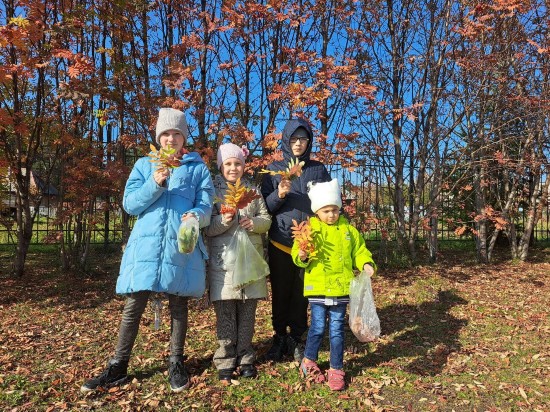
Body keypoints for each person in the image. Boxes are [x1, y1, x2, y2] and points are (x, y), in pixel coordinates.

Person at [81, 108, 214, 394]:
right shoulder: (144, 165)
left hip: (181, 244)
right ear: (158, 136)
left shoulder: (197, 168)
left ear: (183, 137)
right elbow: (130, 205)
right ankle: (118, 365)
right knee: (134, 305)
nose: (170, 139)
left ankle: (176, 362)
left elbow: (206, 206)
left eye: (176, 133)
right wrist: (155, 183)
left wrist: (194, 215)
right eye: (165, 133)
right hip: (147, 245)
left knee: (179, 305)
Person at [291, 179, 376, 391]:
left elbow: (359, 250)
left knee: (337, 330)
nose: (331, 215)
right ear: (317, 211)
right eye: (326, 210)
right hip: (318, 288)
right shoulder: (309, 230)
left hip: (340, 288)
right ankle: (309, 360)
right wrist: (302, 255)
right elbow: (298, 252)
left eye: (335, 210)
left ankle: (336, 368)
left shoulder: (349, 231)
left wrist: (365, 262)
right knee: (318, 327)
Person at [260, 119, 331, 362]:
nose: (299, 143)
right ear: (286, 141)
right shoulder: (274, 168)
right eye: (294, 139)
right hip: (281, 241)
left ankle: (299, 337)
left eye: (303, 139)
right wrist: (279, 195)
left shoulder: (318, 169)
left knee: (302, 293)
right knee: (281, 292)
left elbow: (328, 203)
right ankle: (279, 337)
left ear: (309, 141)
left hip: (307, 244)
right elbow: (265, 208)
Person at [204, 143, 271, 383]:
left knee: (247, 314)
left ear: (244, 166)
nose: (233, 168)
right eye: (228, 164)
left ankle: (245, 357)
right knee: (225, 315)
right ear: (221, 166)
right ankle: (224, 358)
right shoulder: (212, 191)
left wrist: (255, 223)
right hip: (224, 263)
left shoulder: (253, 190)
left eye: (238, 163)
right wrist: (223, 221)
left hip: (250, 261)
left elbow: (266, 219)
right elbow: (207, 228)